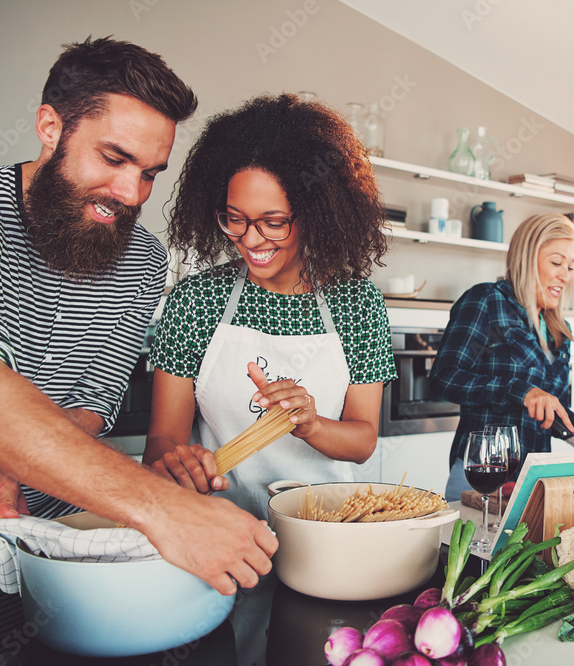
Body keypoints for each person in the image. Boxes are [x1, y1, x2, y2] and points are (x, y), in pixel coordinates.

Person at [0, 37, 277, 663]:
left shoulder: (140, 258)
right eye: (114, 158)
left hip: (77, 553)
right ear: (50, 127)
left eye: (149, 173)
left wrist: (12, 463)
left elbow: (89, 405)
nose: (133, 192)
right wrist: (165, 511)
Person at [142, 94, 396, 524]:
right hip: (223, 525)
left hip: (326, 527)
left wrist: (311, 423)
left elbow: (363, 440)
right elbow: (163, 439)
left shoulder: (359, 305)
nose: (251, 239)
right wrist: (179, 465)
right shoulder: (196, 301)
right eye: (235, 218)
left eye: (273, 221)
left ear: (316, 214)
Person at [430, 213, 574, 500]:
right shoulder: (487, 301)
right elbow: (444, 378)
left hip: (535, 479)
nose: (564, 276)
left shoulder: (558, 329)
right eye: (556, 263)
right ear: (526, 257)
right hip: (483, 475)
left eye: (570, 267)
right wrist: (521, 391)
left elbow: (551, 413)